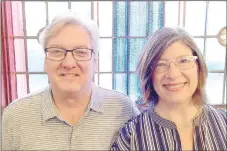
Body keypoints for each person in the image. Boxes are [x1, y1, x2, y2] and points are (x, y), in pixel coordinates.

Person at [2, 11, 140, 150]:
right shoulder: (15, 116)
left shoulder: (124, 110)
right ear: (45, 61)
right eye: (57, 51)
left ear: (95, 63)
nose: (68, 63)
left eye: (81, 52)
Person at [111, 27, 227, 151]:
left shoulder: (224, 123)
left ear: (199, 68)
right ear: (148, 74)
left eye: (183, 61)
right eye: (160, 64)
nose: (173, 74)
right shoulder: (131, 136)